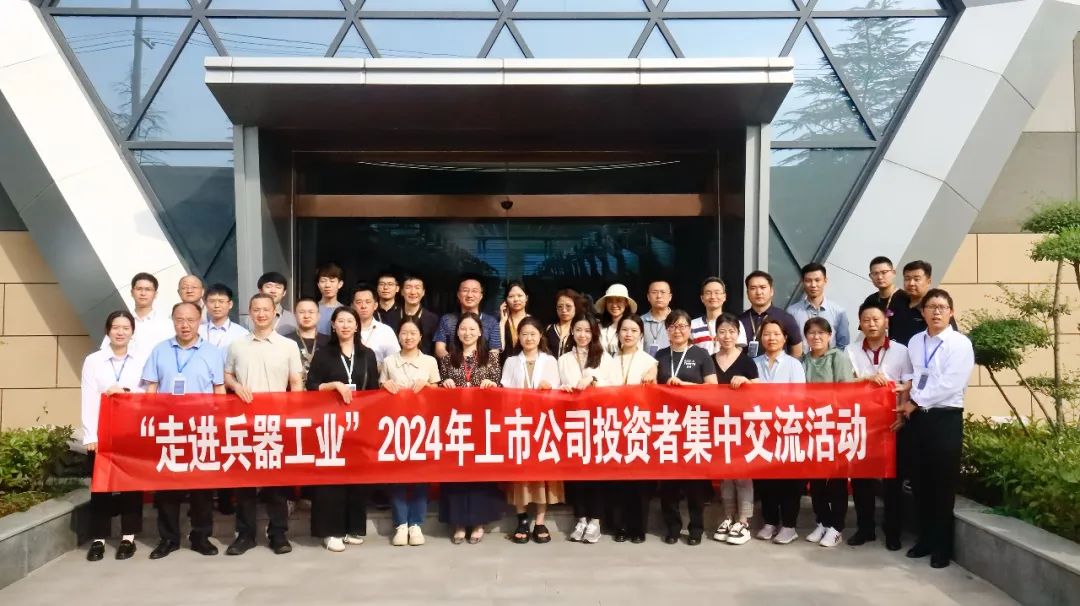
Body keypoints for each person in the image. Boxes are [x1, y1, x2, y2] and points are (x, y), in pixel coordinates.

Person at [221, 293, 304, 556]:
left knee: (276, 483)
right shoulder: (237, 345)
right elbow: (227, 375)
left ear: (274, 312)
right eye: (256, 309)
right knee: (244, 482)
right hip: (244, 422)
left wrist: (294, 416)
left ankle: (278, 534)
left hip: (276, 423)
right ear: (250, 312)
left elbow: (296, 383)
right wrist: (236, 386)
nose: (261, 314)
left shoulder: (288, 345)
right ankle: (245, 535)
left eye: (266, 309)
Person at [142, 302, 225, 560]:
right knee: (168, 488)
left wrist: (220, 423)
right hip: (169, 429)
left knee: (202, 488)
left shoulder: (212, 352)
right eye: (180, 319)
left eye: (190, 320)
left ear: (200, 321)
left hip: (202, 429)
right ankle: (168, 539)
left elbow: (219, 390)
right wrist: (151, 422)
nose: (185, 325)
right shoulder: (160, 350)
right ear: (173, 320)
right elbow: (151, 389)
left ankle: (201, 536)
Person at [902, 289, 974, 569]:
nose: (936, 312)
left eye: (942, 307)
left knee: (942, 484)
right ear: (923, 312)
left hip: (945, 418)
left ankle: (942, 548)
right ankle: (925, 540)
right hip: (918, 420)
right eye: (931, 307)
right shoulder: (915, 341)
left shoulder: (960, 344)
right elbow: (913, 373)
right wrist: (907, 391)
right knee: (920, 483)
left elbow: (951, 384)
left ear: (951, 312)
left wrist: (915, 401)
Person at [306, 307, 380, 552]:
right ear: (333, 325)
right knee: (330, 478)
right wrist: (333, 385)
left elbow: (373, 389)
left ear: (357, 326)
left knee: (357, 477)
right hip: (329, 425)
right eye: (341, 321)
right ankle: (330, 531)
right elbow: (311, 386)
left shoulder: (367, 355)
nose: (346, 325)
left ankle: (352, 527)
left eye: (350, 321)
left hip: (359, 424)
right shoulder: (323, 354)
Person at [846, 302, 913, 551]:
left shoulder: (901, 350)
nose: (871, 324)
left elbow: (908, 382)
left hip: (892, 422)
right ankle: (865, 528)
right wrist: (866, 379)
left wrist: (903, 412)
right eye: (866, 320)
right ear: (860, 324)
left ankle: (892, 530)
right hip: (861, 423)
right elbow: (844, 383)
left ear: (886, 322)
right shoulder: (850, 350)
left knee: (892, 481)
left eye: (876, 319)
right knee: (861, 479)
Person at [437, 312, 505, 544]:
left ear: (480, 332)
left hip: (481, 425)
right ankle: (458, 523)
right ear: (457, 332)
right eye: (463, 329)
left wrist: (492, 385)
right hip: (455, 425)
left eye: (472, 329)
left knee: (479, 474)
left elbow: (499, 388)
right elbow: (437, 389)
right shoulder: (447, 359)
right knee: (455, 474)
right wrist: (443, 384)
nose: (467, 333)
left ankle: (478, 522)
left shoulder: (491, 359)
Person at [81, 310, 144, 562]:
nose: (120, 332)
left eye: (125, 328)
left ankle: (128, 537)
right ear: (108, 330)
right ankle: (99, 538)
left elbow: (149, 392)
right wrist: (90, 435)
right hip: (102, 433)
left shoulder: (141, 359)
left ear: (132, 332)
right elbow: (88, 397)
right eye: (116, 327)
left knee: (131, 486)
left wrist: (127, 392)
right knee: (101, 487)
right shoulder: (93, 360)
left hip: (131, 432)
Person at [655, 309, 717, 546]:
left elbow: (713, 388)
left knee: (695, 484)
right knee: (668, 483)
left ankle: (696, 529)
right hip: (667, 425)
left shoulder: (701, 354)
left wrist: (685, 386)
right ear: (666, 330)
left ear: (690, 329)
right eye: (672, 326)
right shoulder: (660, 355)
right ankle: (672, 527)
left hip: (694, 424)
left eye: (682, 326)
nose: (678, 331)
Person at [379, 316, 441, 547]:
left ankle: (416, 523)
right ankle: (401, 524)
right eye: (404, 332)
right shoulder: (389, 361)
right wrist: (384, 386)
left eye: (413, 333)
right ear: (398, 335)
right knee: (396, 476)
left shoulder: (429, 361)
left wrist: (428, 386)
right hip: (395, 426)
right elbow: (379, 391)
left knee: (421, 476)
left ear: (421, 336)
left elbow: (439, 393)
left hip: (423, 426)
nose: (408, 337)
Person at [557, 313, 619, 544]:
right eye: (578, 330)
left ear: (594, 333)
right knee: (576, 472)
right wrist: (562, 388)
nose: (582, 335)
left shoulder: (604, 357)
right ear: (572, 332)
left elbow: (615, 387)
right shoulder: (564, 358)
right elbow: (556, 385)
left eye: (587, 331)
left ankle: (596, 520)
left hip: (598, 422)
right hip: (572, 422)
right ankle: (581, 517)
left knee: (596, 473)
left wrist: (594, 380)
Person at [501, 316, 563, 545]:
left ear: (540, 336)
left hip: (542, 424)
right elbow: (504, 393)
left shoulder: (550, 361)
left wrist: (550, 389)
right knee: (520, 474)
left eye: (533, 334)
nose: (528, 338)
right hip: (518, 423)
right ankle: (522, 519)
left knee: (541, 473)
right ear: (518, 337)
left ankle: (540, 521)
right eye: (524, 334)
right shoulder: (511, 361)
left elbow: (559, 392)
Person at [800, 316, 856, 548]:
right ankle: (822, 521)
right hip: (810, 426)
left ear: (830, 335)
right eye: (811, 333)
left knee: (835, 479)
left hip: (834, 426)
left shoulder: (838, 358)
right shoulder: (803, 360)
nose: (816, 337)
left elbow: (846, 391)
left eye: (821, 333)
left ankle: (837, 526)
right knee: (816, 479)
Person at [752, 318, 806, 546]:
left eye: (776, 334)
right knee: (766, 480)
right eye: (766, 334)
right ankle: (770, 521)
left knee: (789, 480)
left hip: (787, 428)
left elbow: (799, 397)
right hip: (762, 429)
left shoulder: (794, 364)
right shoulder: (753, 363)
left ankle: (790, 526)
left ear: (785, 338)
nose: (771, 338)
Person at [609, 314, 658, 544]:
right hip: (614, 425)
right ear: (618, 333)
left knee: (639, 481)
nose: (628, 334)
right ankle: (619, 526)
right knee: (617, 480)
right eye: (624, 330)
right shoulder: (608, 359)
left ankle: (638, 528)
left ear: (641, 335)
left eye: (633, 330)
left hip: (639, 425)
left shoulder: (649, 361)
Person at [710, 312, 757, 546]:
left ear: (738, 334)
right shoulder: (709, 359)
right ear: (715, 335)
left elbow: (761, 392)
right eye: (722, 331)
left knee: (743, 475)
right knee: (726, 475)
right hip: (718, 425)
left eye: (731, 331)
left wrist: (747, 382)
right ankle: (728, 517)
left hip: (743, 425)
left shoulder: (747, 361)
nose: (727, 336)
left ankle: (744, 521)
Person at [104, 272, 173, 357]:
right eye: (139, 289)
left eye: (148, 289)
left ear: (155, 294)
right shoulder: (119, 323)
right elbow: (105, 352)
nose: (143, 293)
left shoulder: (167, 324)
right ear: (132, 292)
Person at [787, 263, 851, 351]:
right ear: (802, 282)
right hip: (801, 359)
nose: (813, 285)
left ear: (825, 281)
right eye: (808, 281)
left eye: (817, 280)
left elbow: (843, 346)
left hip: (829, 359)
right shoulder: (792, 312)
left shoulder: (839, 312)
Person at [889, 260, 955, 346]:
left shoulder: (935, 307)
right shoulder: (898, 299)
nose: (911, 283)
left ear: (928, 281)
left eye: (916, 279)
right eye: (907, 279)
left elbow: (950, 337)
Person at [434, 276, 502, 358]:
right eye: (465, 290)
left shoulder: (491, 322)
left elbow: (495, 350)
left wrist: (481, 365)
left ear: (481, 296)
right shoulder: (447, 319)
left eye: (474, 291)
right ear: (458, 295)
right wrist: (453, 363)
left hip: (483, 365)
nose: (469, 295)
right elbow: (439, 349)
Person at [740, 270, 803, 358]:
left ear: (771, 291)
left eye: (763, 287)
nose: (758, 292)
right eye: (753, 288)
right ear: (747, 293)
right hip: (746, 367)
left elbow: (797, 351)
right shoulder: (740, 320)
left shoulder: (785, 318)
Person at [690, 277, 746, 354]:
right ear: (702, 298)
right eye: (708, 293)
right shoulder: (692, 325)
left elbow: (738, 352)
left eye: (717, 293)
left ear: (724, 297)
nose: (713, 296)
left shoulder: (736, 323)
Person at [351, 283, 401, 367]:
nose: (363, 306)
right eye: (359, 302)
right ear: (352, 306)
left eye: (368, 302)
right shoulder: (345, 329)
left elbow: (395, 361)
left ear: (375, 305)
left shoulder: (385, 331)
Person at [282, 297, 329, 384]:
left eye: (311, 312)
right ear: (295, 315)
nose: (306, 316)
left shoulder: (329, 342)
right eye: (301, 312)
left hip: (323, 390)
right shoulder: (285, 341)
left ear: (318, 316)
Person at [198, 283, 249, 361]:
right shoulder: (198, 331)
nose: (217, 305)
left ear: (230, 304)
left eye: (221, 301)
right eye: (212, 301)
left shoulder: (242, 333)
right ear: (206, 304)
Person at [862, 256, 909, 327]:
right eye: (875, 273)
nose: (880, 277)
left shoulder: (906, 299)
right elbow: (865, 328)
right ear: (871, 276)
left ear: (893, 273)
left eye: (884, 272)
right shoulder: (870, 300)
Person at [400, 273, 439, 356]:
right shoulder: (393, 316)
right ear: (402, 291)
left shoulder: (432, 319)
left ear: (423, 292)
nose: (413, 292)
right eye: (408, 287)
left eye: (417, 288)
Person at [595, 283, 635, 357]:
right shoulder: (598, 326)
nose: (614, 305)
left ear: (626, 303)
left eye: (619, 300)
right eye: (610, 301)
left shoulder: (634, 326)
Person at [544, 288, 585, 357]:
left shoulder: (580, 330)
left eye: (568, 306)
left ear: (576, 307)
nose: (564, 310)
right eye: (560, 306)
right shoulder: (549, 329)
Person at [257, 271, 297, 336]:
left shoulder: (293, 320)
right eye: (268, 287)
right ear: (260, 291)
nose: (273, 291)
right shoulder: (249, 319)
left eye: (278, 287)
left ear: (284, 292)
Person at [498, 281, 530, 360]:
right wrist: (502, 322)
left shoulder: (533, 322)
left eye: (520, 295)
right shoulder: (500, 322)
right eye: (511, 296)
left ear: (526, 298)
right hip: (505, 365)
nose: (516, 299)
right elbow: (498, 349)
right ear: (506, 300)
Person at [641, 280, 673, 356]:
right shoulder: (639, 321)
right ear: (648, 297)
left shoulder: (678, 321)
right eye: (654, 292)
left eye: (663, 292)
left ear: (670, 297)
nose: (659, 296)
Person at [315, 263, 345, 336]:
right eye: (323, 281)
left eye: (332, 281)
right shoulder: (312, 310)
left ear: (340, 284)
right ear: (318, 284)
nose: (327, 285)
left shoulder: (345, 311)